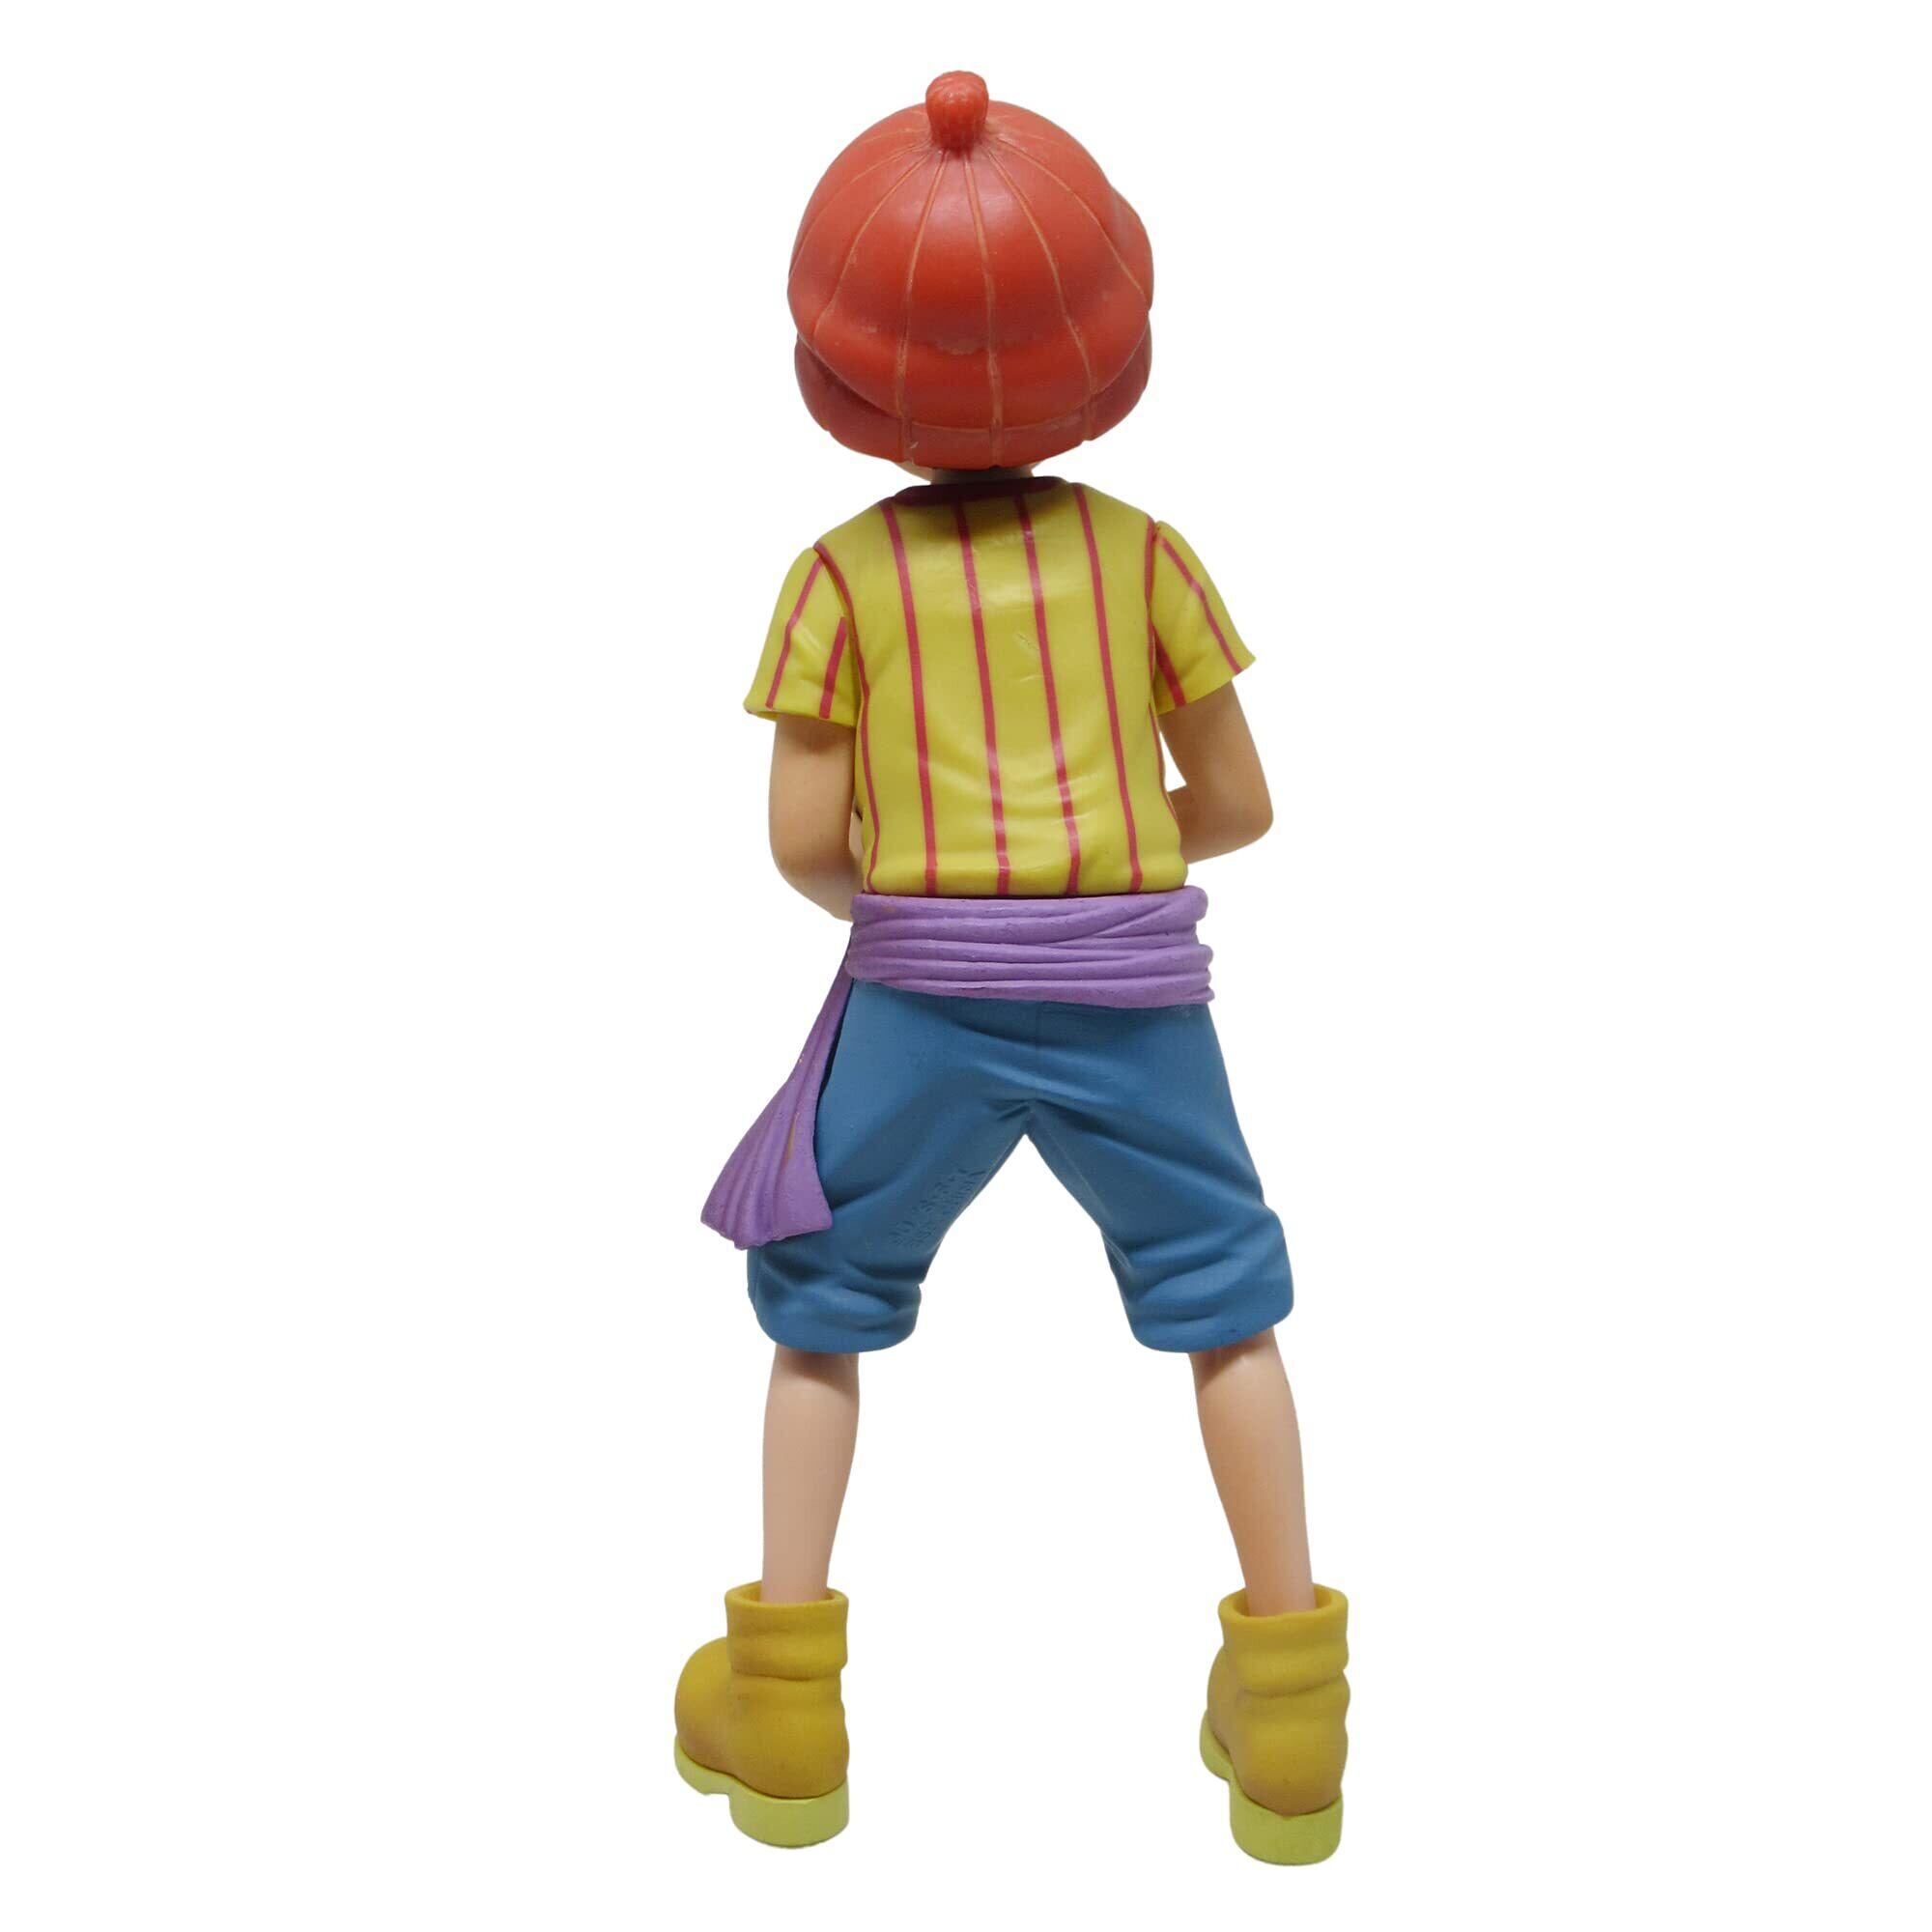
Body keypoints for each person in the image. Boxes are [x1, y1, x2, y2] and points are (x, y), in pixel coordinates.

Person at [674, 71, 1350, 1863]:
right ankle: (1294, 1710)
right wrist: (1091, 877)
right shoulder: (1147, 558)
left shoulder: (836, 579)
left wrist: (939, 903)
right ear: (1106, 339)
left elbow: (801, 846)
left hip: (918, 999)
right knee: (1226, 1303)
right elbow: (1239, 805)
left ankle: (786, 1702)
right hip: (1141, 997)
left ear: (847, 369)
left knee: (820, 1309)